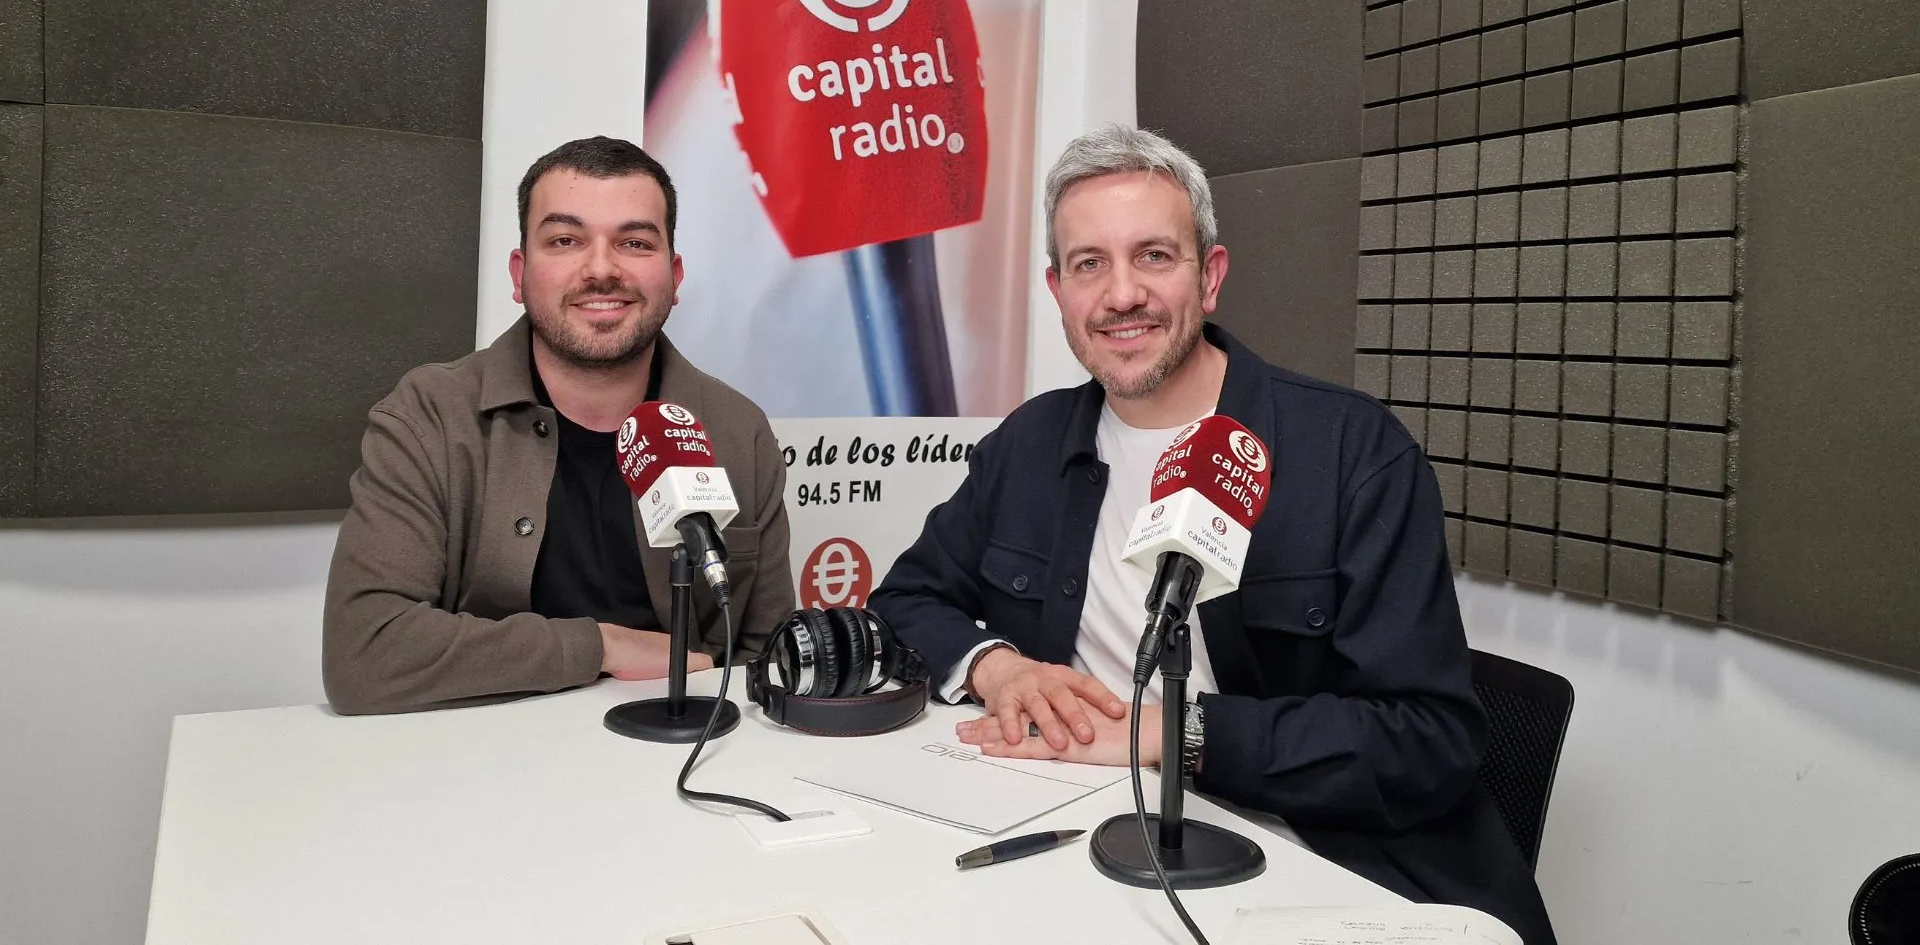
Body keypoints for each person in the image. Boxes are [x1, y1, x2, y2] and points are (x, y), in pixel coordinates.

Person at [869, 126, 1554, 943]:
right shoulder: (1028, 444)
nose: (1122, 295)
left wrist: (1171, 734)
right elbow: (905, 600)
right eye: (1089, 264)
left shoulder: (1353, 452)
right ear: (1058, 291)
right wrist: (997, 666)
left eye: (1154, 256)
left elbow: (1428, 740)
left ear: (1211, 276)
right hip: (1085, 843)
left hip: (1320, 866)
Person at [322, 137, 794, 715]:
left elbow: (769, 661)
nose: (601, 270)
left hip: (682, 754)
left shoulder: (738, 430)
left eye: (635, 242)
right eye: (565, 240)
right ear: (520, 274)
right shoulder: (430, 416)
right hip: (483, 751)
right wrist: (601, 646)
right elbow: (364, 655)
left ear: (673, 277)